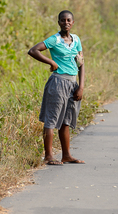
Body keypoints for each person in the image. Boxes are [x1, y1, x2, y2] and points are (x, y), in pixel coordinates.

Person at [28, 10, 85, 165]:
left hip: (72, 84)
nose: (66, 23)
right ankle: (48, 156)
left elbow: (81, 63)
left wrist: (81, 86)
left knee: (66, 121)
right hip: (58, 82)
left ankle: (66, 155)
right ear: (58, 22)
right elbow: (33, 51)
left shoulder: (76, 40)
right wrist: (51, 62)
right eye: (62, 20)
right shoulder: (54, 40)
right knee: (52, 120)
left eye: (68, 20)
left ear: (73, 23)